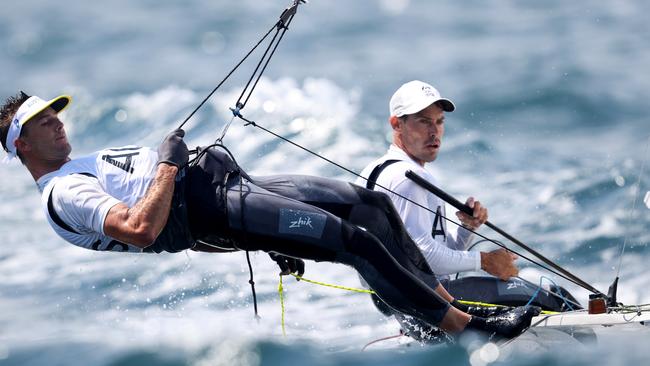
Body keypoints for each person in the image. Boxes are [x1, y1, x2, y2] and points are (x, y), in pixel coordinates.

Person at [1, 91, 538, 340]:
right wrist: (168, 165)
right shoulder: (64, 191)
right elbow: (141, 230)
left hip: (230, 186)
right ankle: (472, 330)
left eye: (56, 116)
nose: (57, 125)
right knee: (355, 241)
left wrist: (267, 234)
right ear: (20, 145)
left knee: (369, 204)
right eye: (43, 124)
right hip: (212, 207)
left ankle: (435, 308)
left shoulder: (80, 164)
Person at [358, 80, 519, 283]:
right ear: (397, 124)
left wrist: (467, 228)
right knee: (546, 293)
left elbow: (439, 252)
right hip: (427, 304)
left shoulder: (371, 170)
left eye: (440, 121)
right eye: (424, 121)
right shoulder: (408, 177)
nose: (434, 131)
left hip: (404, 301)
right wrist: (485, 261)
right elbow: (423, 256)